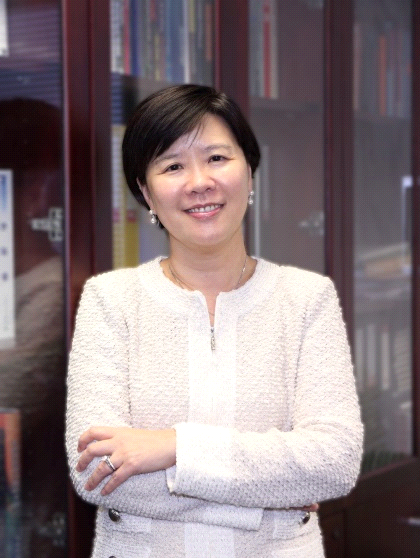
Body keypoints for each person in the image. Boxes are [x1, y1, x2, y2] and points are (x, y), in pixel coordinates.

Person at [66, 84, 363, 558]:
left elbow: (334, 464)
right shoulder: (110, 301)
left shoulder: (308, 299)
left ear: (250, 171)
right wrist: (270, 499)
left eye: (217, 158)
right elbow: (95, 473)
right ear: (145, 192)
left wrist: (172, 447)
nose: (199, 181)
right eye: (172, 166)